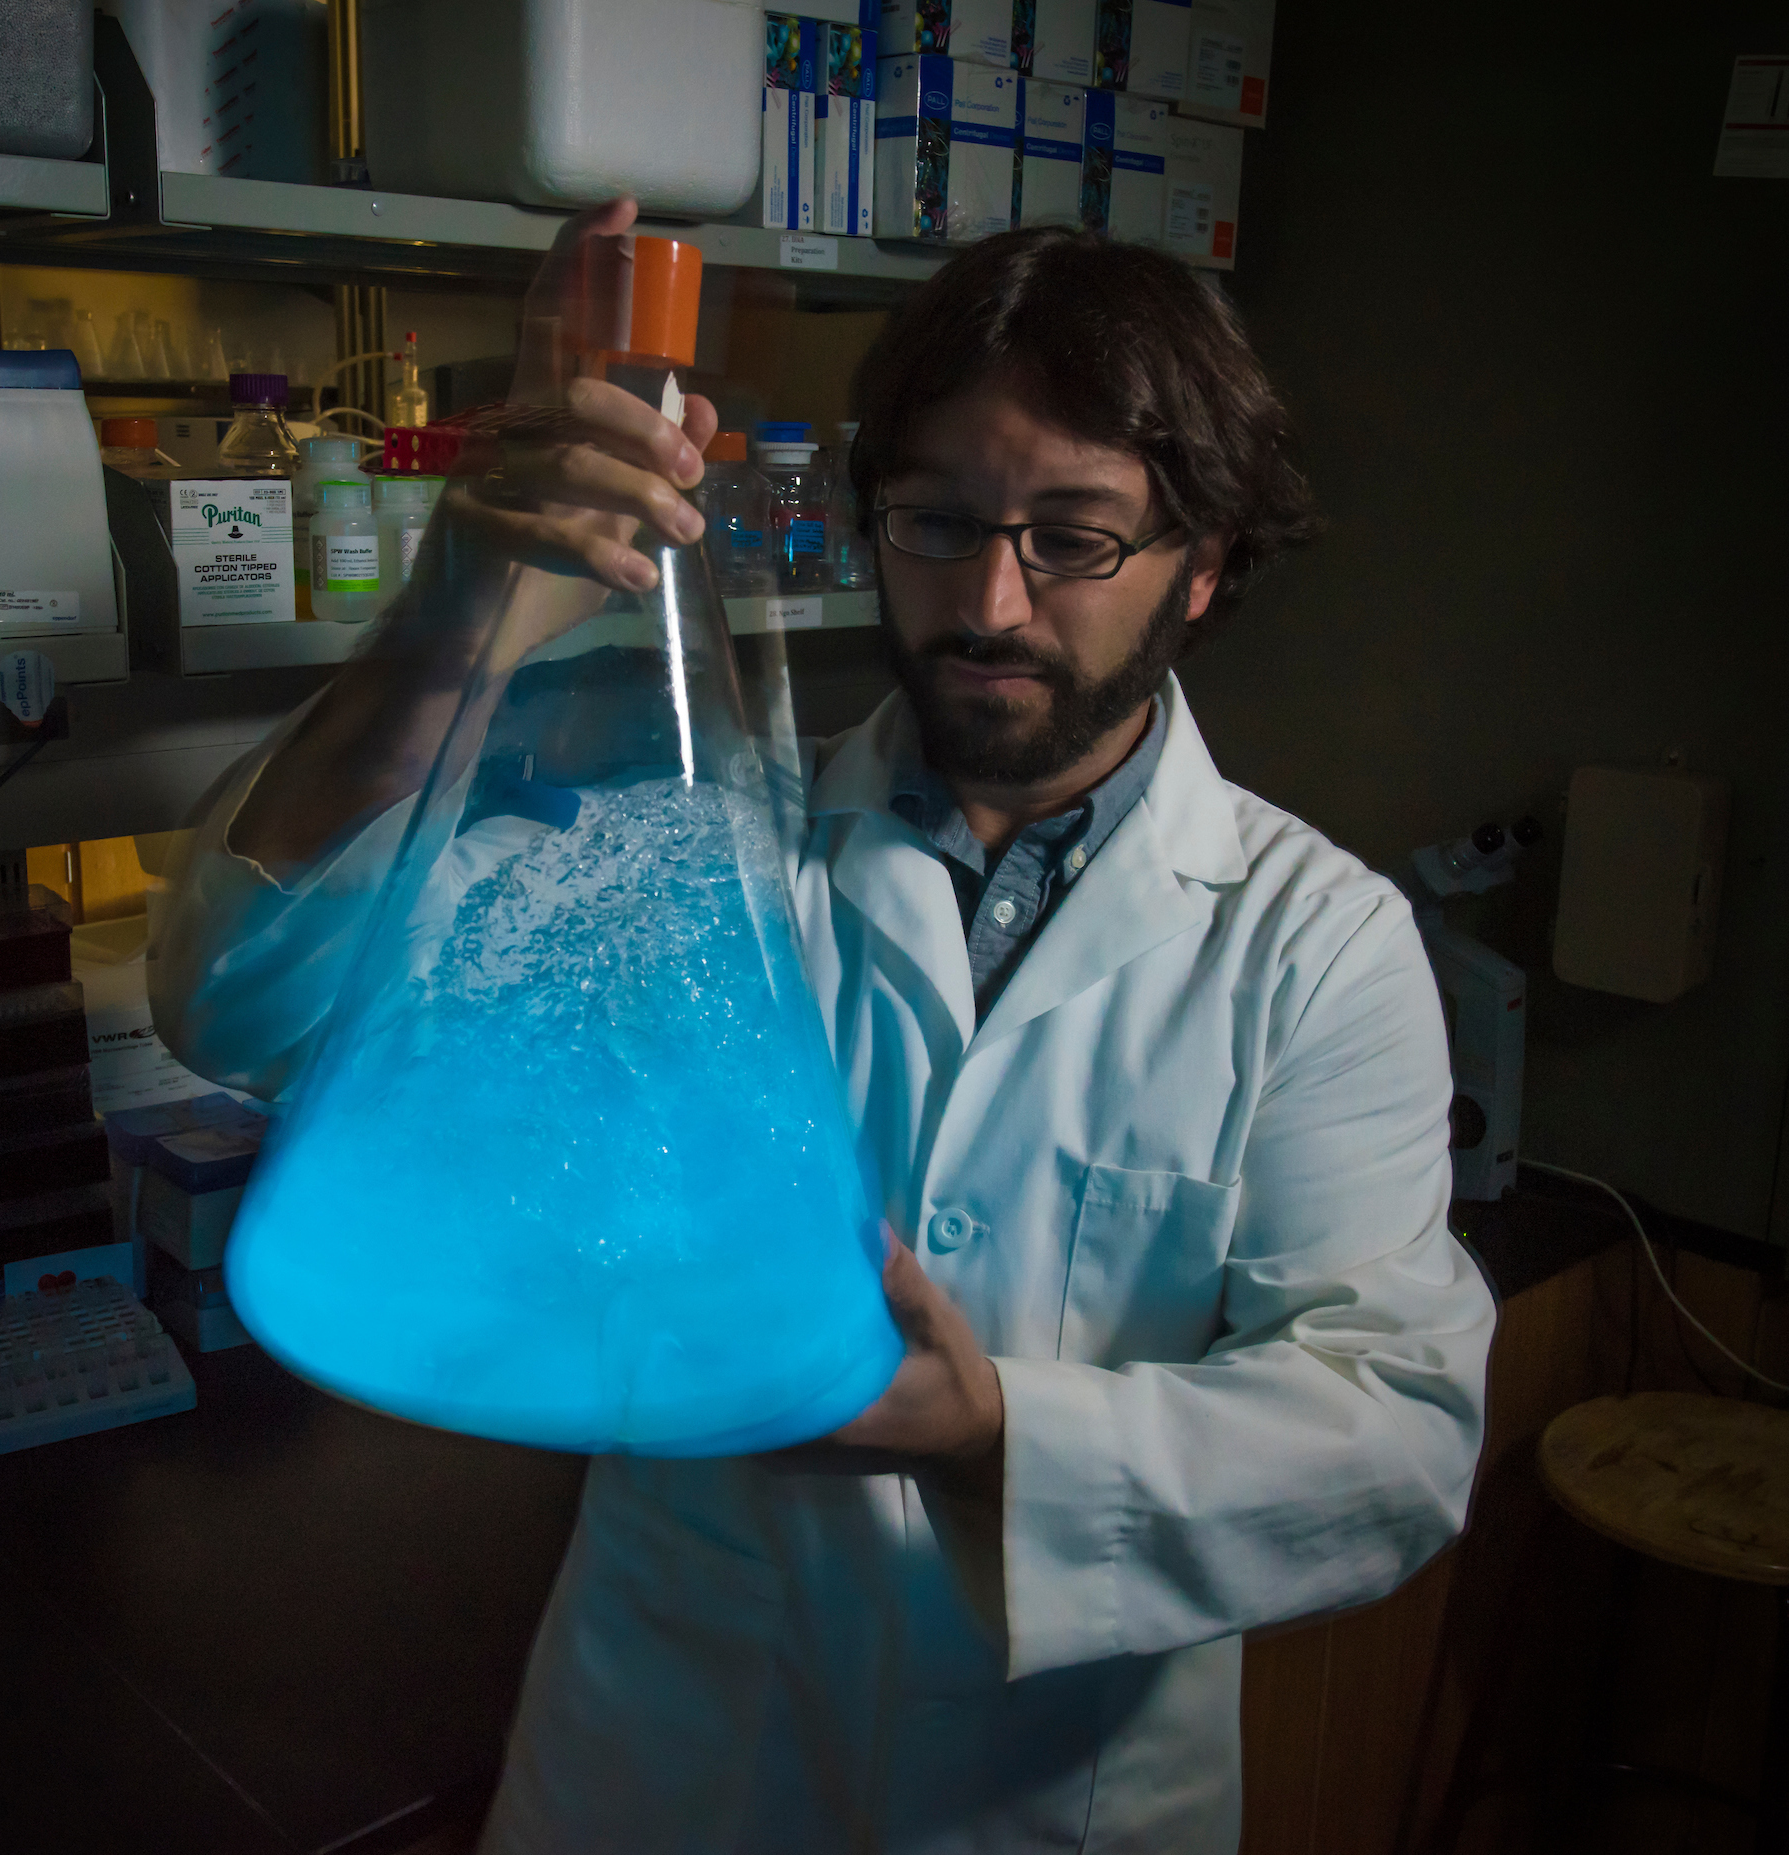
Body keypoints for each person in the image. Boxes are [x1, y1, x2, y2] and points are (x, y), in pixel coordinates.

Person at [150, 201, 1495, 1852]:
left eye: (1074, 537)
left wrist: (991, 1429)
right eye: (939, 522)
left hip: (1049, 1799)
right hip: (665, 1765)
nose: (991, 602)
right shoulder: (708, 853)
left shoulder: (1313, 946)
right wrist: (450, 622)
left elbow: (1394, 1434)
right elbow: (242, 1005)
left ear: (1203, 565)